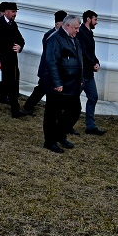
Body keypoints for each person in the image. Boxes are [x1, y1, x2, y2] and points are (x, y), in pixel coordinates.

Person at [41, 13, 84, 153]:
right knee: (52, 114)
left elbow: (78, 59)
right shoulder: (55, 39)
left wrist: (81, 77)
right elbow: (52, 62)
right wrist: (57, 82)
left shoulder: (73, 38)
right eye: (76, 28)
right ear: (67, 26)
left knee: (75, 110)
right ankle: (50, 141)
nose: (78, 31)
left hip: (72, 84)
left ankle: (60, 134)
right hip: (58, 85)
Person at [0, 1, 29, 118]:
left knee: (13, 83)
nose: (15, 14)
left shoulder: (13, 25)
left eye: (16, 12)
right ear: (6, 12)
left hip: (11, 60)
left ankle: (15, 110)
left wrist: (20, 46)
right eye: (13, 12)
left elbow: (21, 40)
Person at [22, 10, 67, 116]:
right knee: (41, 90)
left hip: (52, 70)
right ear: (57, 24)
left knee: (44, 90)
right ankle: (28, 106)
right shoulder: (50, 35)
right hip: (47, 69)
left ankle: (30, 106)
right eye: (63, 24)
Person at [76, 9, 105, 135]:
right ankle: (66, 124)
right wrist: (93, 63)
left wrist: (96, 62)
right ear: (88, 19)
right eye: (95, 19)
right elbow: (83, 52)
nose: (96, 22)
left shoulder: (88, 33)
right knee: (72, 99)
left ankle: (90, 126)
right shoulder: (81, 32)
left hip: (89, 74)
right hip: (82, 73)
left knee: (93, 97)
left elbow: (91, 52)